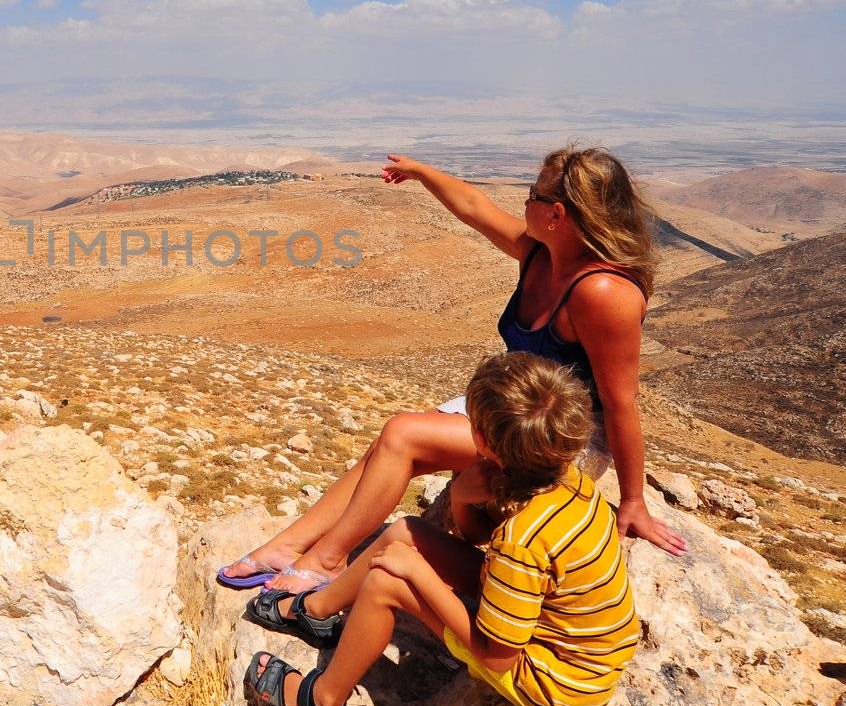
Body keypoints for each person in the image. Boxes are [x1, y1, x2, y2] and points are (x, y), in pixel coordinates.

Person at [216, 144, 685, 595]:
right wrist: (421, 172)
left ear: (557, 214)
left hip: (567, 437)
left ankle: (327, 560)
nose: (523, 202)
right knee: (389, 447)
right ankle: (290, 545)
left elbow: (622, 402)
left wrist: (633, 501)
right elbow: (474, 208)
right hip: (516, 411)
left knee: (403, 435)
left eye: (532, 195)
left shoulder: (604, 293)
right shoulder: (541, 255)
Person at [243, 352, 641, 706]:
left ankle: (323, 702)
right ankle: (316, 609)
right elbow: (477, 540)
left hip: (553, 682)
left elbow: (496, 655)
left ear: (482, 439)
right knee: (405, 532)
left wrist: (414, 570)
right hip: (550, 629)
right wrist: (461, 497)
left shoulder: (525, 538)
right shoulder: (559, 479)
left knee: (386, 582)